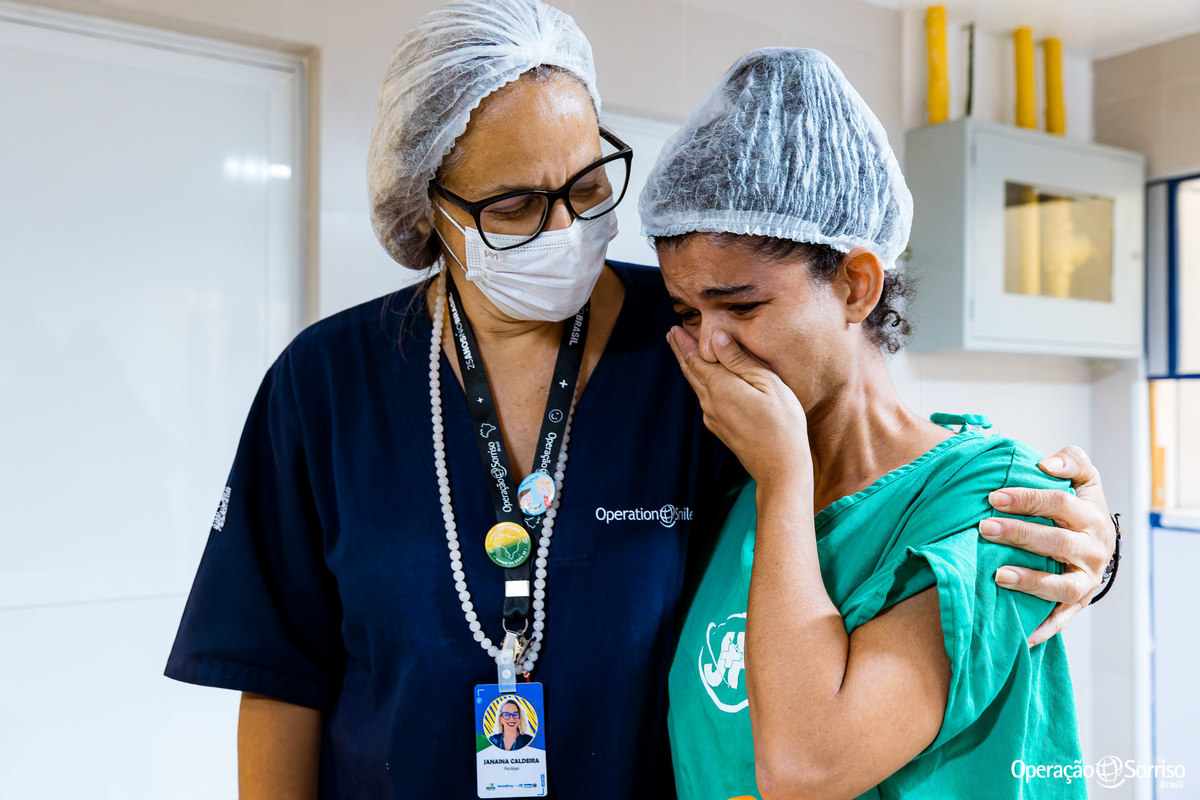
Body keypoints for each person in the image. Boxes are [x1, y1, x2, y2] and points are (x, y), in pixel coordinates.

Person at [164, 3, 1117, 797]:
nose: (565, 227)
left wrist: (1079, 537)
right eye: (515, 206)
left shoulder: (692, 348)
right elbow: (281, 677)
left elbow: (864, 464)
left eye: (587, 184)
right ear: (431, 210)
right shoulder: (326, 384)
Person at [643, 48, 1099, 799]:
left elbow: (807, 768)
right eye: (689, 314)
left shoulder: (990, 499)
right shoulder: (727, 496)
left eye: (744, 306)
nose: (712, 347)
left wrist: (786, 479)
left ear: (856, 285)